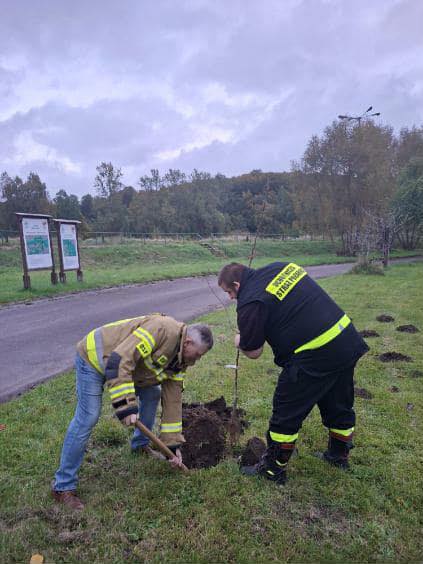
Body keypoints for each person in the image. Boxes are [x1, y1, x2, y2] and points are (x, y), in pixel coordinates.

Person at [218, 261, 369, 485]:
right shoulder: (280, 267)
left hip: (314, 354)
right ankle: (339, 455)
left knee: (286, 410)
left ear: (237, 285)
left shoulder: (250, 301)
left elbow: (254, 352)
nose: (231, 297)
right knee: (338, 403)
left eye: (229, 292)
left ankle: (272, 470)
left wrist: (240, 340)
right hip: (345, 339)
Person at [52, 313, 213, 509]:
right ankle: (63, 486)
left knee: (153, 393)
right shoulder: (161, 330)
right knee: (88, 416)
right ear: (187, 343)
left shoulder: (181, 360)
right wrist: (126, 406)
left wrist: (172, 447)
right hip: (95, 358)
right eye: (198, 354)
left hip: (123, 367)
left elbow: (173, 400)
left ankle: (140, 445)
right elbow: (119, 361)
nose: (197, 360)